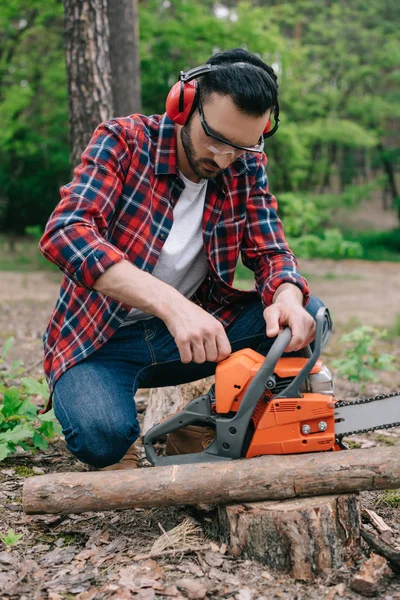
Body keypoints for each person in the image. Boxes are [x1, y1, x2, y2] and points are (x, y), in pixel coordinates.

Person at [39, 48, 325, 471]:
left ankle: (205, 421)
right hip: (101, 339)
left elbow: (272, 253)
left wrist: (286, 296)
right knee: (102, 437)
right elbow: (66, 233)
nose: (225, 158)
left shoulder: (246, 165)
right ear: (183, 105)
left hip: (195, 336)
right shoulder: (123, 141)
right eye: (216, 140)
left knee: (307, 317)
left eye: (242, 146)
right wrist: (172, 305)